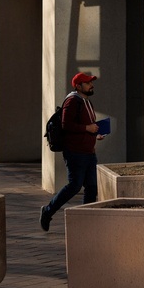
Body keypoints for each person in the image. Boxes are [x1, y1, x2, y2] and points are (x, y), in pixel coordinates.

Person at [39, 73, 105, 232]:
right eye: (87, 83)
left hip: (89, 152)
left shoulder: (86, 101)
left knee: (91, 187)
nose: (91, 85)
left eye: (91, 82)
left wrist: (95, 133)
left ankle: (86, 222)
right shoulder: (72, 101)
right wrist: (87, 128)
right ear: (78, 86)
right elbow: (66, 125)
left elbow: (86, 124)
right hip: (75, 152)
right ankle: (47, 211)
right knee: (74, 186)